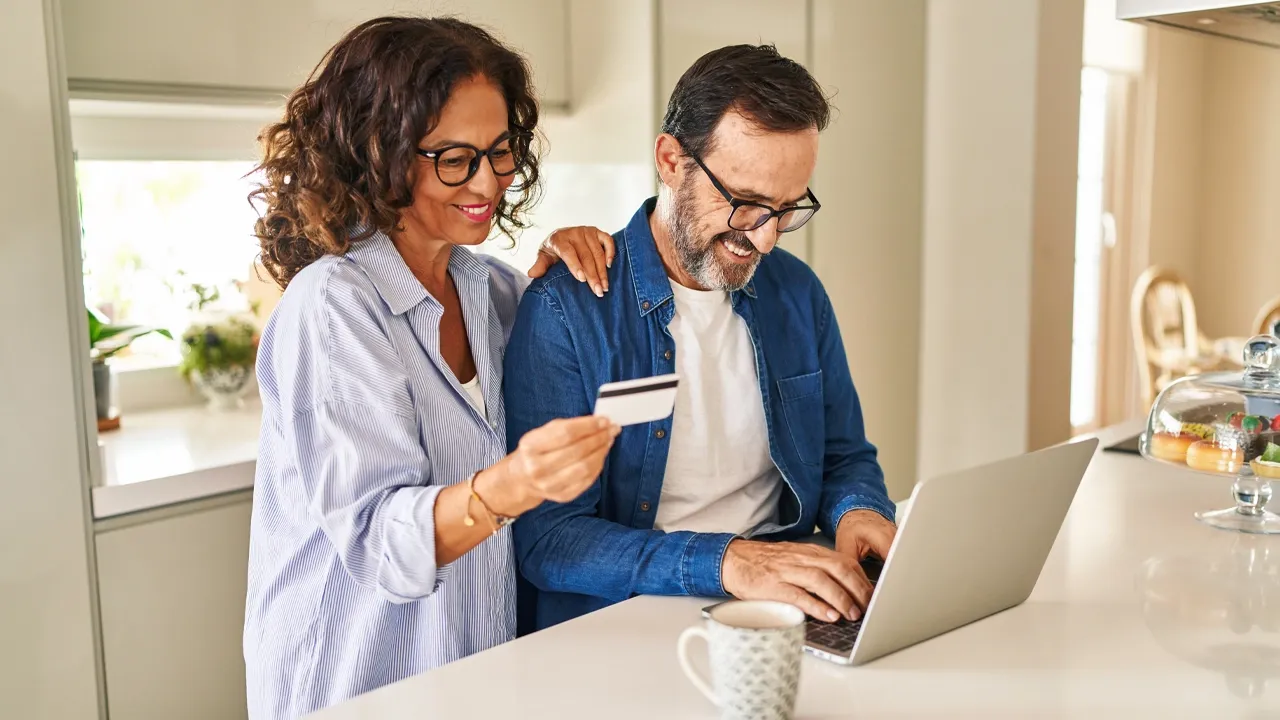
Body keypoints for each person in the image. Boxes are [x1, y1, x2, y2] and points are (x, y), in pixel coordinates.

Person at [243, 17, 620, 720]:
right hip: (353, 684)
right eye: (455, 158)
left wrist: (565, 294)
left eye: (500, 151)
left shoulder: (494, 291)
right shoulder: (333, 305)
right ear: (377, 154)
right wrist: (513, 485)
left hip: (468, 680)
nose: (488, 181)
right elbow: (381, 544)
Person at [504, 44, 897, 633]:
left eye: (787, 209)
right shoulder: (567, 309)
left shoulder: (798, 293)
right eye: (744, 203)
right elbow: (550, 541)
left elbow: (844, 456)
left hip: (789, 598)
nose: (764, 241)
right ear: (670, 159)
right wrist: (729, 562)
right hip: (631, 618)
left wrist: (856, 509)